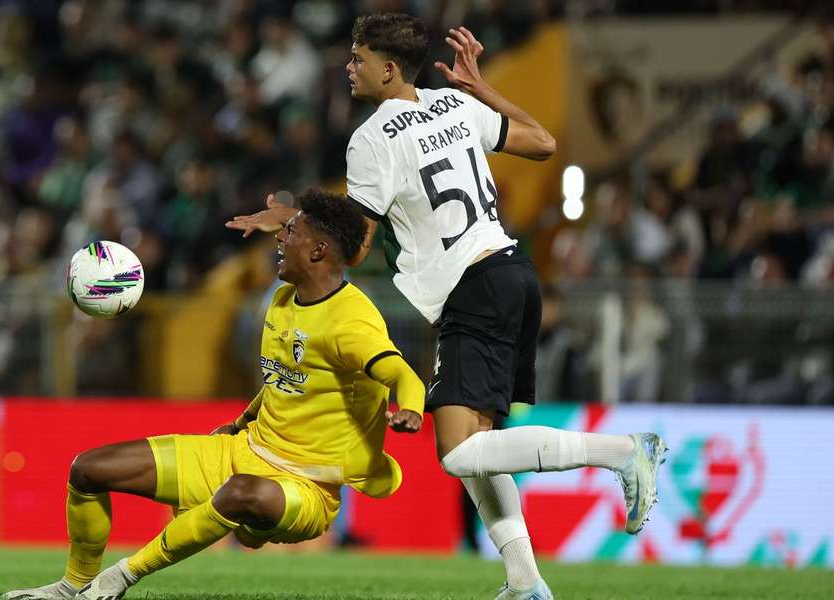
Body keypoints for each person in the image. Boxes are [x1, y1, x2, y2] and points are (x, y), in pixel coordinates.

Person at [227, 14, 667, 600]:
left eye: (358, 59)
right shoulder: (453, 107)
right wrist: (482, 90)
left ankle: (624, 453)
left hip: (472, 287)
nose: (348, 67)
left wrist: (294, 222)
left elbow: (354, 246)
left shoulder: (371, 138)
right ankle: (525, 581)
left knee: (459, 451)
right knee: (479, 444)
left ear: (388, 69)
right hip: (511, 272)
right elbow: (543, 142)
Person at [3, 189, 425, 600]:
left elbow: (404, 375)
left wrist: (411, 410)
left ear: (317, 251)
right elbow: (282, 382)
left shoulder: (351, 322)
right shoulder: (281, 298)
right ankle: (72, 587)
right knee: (88, 469)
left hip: (305, 488)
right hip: (244, 451)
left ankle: (120, 578)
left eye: (291, 231)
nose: (280, 238)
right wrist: (241, 423)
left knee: (243, 492)